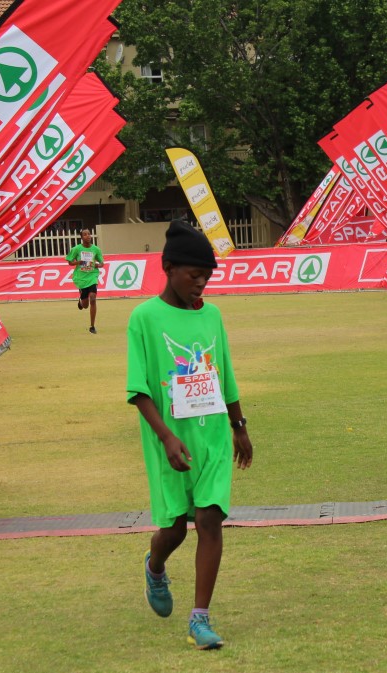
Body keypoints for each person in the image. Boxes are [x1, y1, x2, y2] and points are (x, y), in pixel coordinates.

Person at [126, 219, 253, 650]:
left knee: (209, 519)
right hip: (170, 439)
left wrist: (239, 426)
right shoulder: (144, 318)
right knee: (176, 528)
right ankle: (155, 566)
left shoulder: (212, 315)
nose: (201, 284)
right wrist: (165, 437)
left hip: (212, 433)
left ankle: (200, 618)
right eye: (194, 275)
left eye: (206, 277)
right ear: (168, 268)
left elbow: (225, 375)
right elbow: (139, 390)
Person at [66, 229, 104, 333]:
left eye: (89, 234)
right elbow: (70, 262)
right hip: (81, 278)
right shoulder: (76, 249)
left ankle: (92, 326)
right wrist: (78, 262)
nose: (88, 236)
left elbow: (102, 263)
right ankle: (81, 302)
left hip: (92, 276)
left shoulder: (96, 249)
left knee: (93, 298)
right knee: (85, 305)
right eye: (85, 234)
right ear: (82, 237)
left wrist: (98, 265)